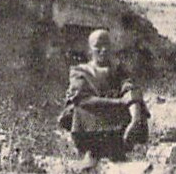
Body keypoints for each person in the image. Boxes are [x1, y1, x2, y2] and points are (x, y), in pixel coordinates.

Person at [57, 29, 149, 164]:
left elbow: (130, 90)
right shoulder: (80, 71)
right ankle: (92, 155)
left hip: (118, 127)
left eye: (106, 45)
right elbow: (82, 99)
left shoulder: (118, 70)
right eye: (98, 46)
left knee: (136, 104)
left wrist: (135, 118)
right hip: (91, 123)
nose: (103, 50)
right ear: (90, 49)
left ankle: (119, 150)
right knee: (81, 109)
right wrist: (119, 102)